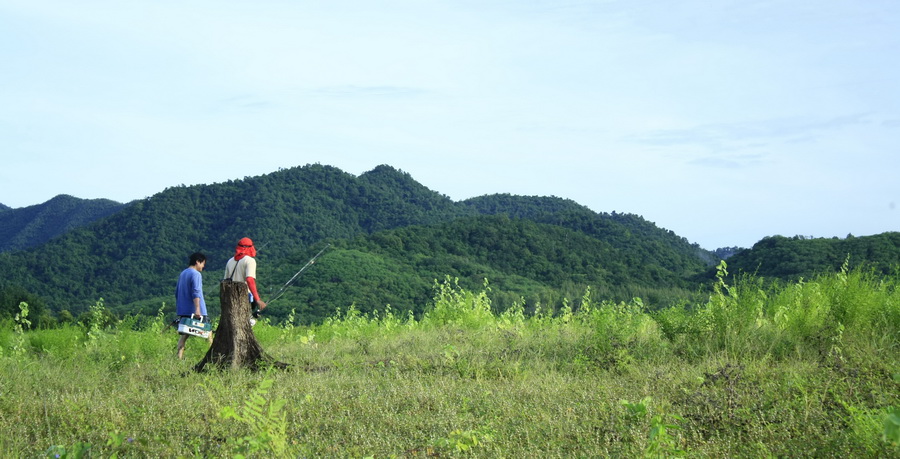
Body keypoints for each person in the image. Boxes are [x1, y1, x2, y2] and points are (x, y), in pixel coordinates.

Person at [175, 252, 208, 359]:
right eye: (202, 263)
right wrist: (198, 309)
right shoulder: (196, 274)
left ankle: (178, 358)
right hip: (196, 311)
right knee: (209, 334)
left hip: (184, 311)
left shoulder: (183, 273)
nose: (203, 266)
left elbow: (177, 292)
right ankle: (213, 358)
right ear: (197, 262)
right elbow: (196, 291)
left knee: (184, 336)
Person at [223, 237, 267, 316]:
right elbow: (250, 280)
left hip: (231, 298)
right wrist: (258, 300)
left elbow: (225, 281)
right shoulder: (250, 261)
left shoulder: (230, 261)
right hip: (243, 297)